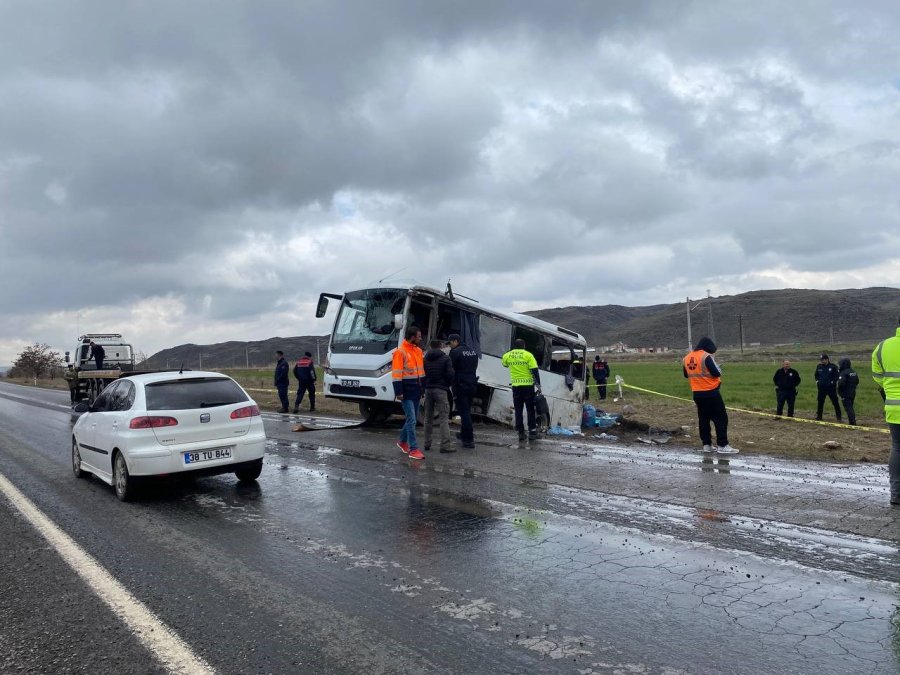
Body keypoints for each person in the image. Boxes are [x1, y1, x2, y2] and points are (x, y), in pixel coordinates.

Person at [683, 337, 738, 454]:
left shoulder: (687, 357)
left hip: (697, 394)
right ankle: (722, 445)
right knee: (721, 418)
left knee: (703, 419)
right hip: (711, 392)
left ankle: (707, 445)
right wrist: (717, 368)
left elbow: (686, 375)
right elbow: (716, 373)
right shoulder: (705, 356)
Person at [873, 320, 900, 506]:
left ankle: (896, 494)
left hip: (893, 407)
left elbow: (877, 376)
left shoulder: (883, 346)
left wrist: (891, 390)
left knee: (898, 448)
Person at [393, 326, 425, 460]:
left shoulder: (418, 350)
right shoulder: (400, 352)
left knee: (411, 419)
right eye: (419, 336)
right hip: (405, 392)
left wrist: (422, 390)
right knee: (412, 419)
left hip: (416, 391)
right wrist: (398, 392)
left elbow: (421, 372)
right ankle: (413, 449)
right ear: (412, 337)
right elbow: (396, 374)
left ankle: (402, 442)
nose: (421, 338)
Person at [502, 339, 542, 441]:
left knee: (518, 410)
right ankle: (532, 432)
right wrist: (538, 385)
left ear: (514, 346)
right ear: (524, 346)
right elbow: (534, 370)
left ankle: (521, 433)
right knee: (530, 409)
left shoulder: (508, 355)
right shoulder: (528, 355)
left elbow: (504, 364)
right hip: (528, 386)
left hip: (516, 386)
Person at [422, 339, 455, 453]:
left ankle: (427, 443)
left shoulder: (425, 358)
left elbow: (423, 374)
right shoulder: (446, 358)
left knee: (428, 418)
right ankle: (445, 445)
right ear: (441, 346)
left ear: (431, 346)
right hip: (441, 389)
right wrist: (447, 384)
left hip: (428, 389)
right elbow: (450, 374)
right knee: (443, 418)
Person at [449, 333, 478, 448]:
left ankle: (469, 439)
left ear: (455, 341)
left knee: (464, 412)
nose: (450, 346)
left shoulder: (455, 352)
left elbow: (451, 370)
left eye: (450, 343)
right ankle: (463, 433)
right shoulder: (473, 351)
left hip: (460, 385)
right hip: (472, 384)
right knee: (466, 411)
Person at [814, 353, 841, 422]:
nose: (822, 361)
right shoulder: (819, 366)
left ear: (827, 359)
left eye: (823, 359)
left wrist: (833, 382)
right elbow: (816, 375)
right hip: (821, 388)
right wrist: (817, 381)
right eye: (821, 360)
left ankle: (839, 417)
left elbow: (837, 376)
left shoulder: (833, 366)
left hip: (831, 388)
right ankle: (819, 416)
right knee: (820, 402)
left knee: (835, 402)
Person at [836, 358, 859, 426]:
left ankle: (852, 422)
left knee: (848, 408)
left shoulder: (843, 373)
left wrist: (839, 391)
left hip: (845, 393)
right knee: (850, 406)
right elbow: (857, 381)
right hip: (852, 392)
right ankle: (852, 421)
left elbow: (840, 384)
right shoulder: (853, 372)